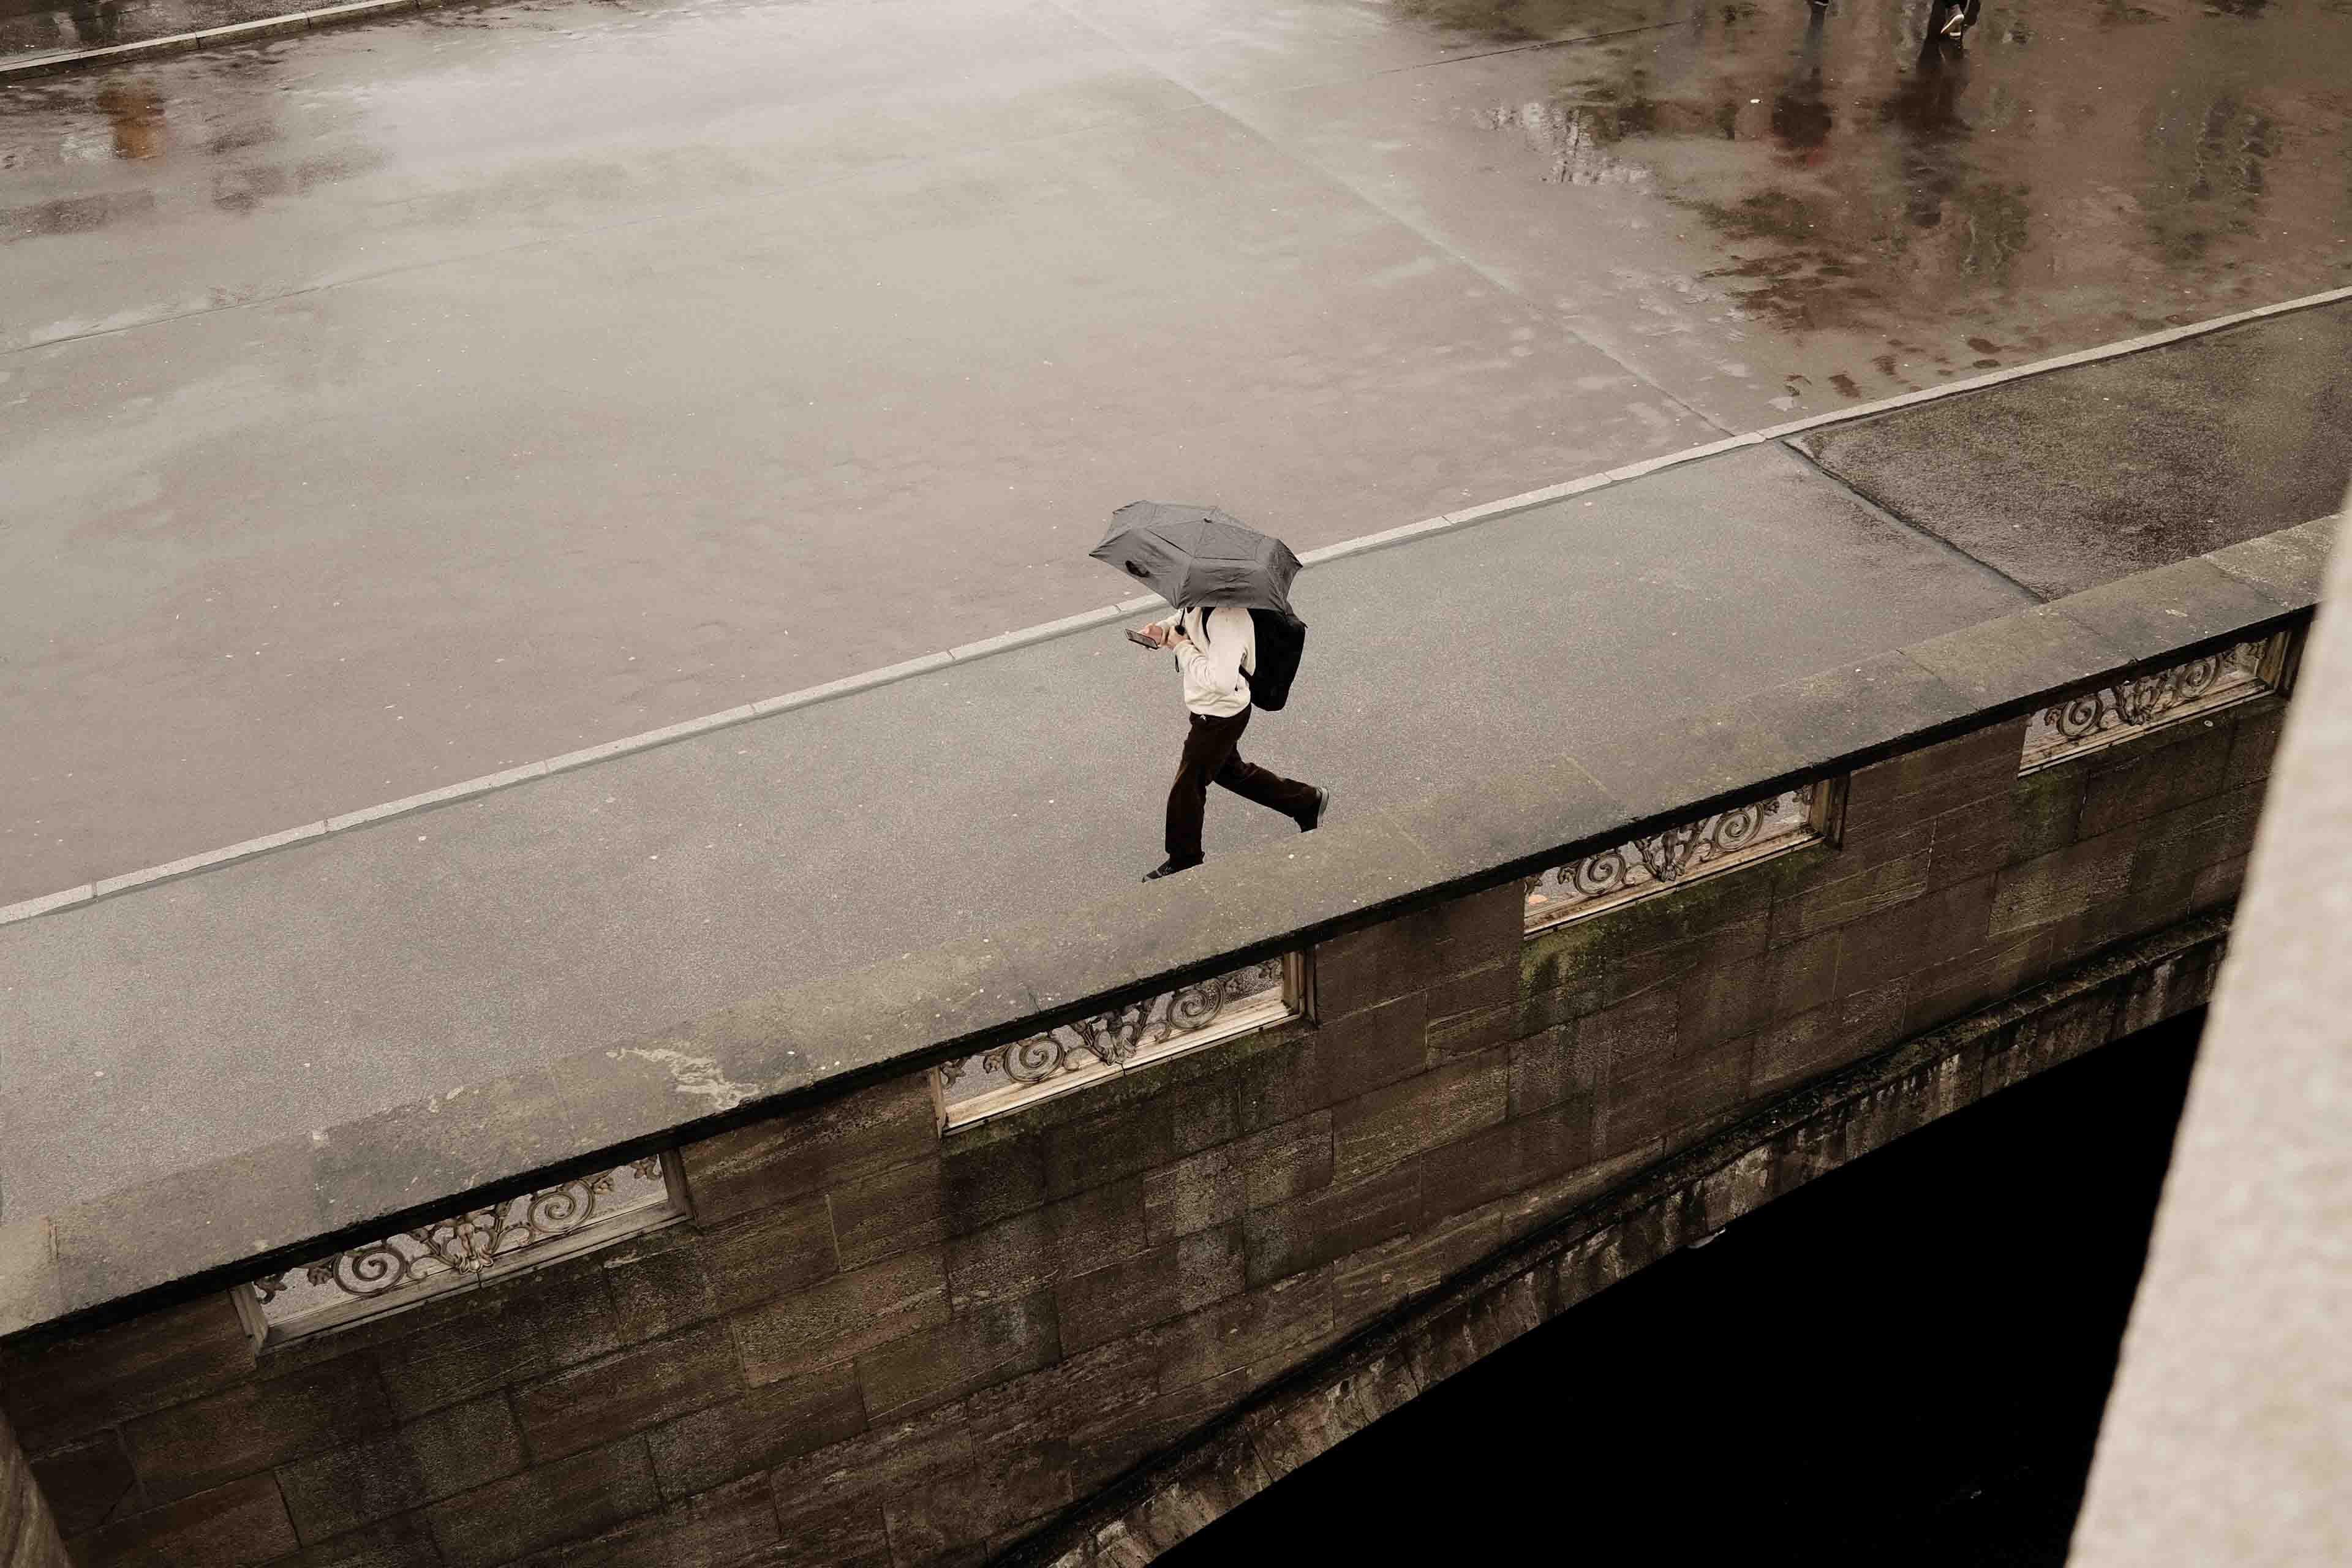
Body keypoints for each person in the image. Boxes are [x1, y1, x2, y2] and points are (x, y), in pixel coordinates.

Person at [1134, 605, 1330, 880]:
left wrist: (1180, 648)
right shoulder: (1201, 602)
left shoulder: (1227, 619)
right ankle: (1306, 801)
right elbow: (1185, 622)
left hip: (1220, 714)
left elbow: (1221, 682)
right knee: (1230, 772)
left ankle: (1184, 859)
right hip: (1210, 708)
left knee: (1188, 784)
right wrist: (1162, 630)